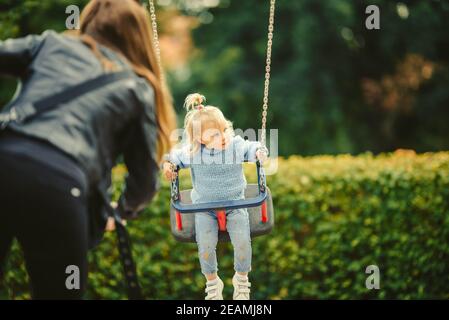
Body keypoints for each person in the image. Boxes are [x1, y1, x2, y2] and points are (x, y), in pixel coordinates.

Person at [0, 0, 176, 299]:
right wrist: (120, 211)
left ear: (87, 21)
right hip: (57, 184)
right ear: (139, 36)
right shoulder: (136, 87)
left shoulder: (49, 44)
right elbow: (144, 181)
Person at [162, 93, 268, 300]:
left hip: (236, 202)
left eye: (224, 130)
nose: (223, 137)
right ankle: (212, 282)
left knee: (242, 241)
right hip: (204, 207)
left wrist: (259, 152)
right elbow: (172, 156)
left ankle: (242, 279)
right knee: (206, 245)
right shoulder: (193, 152)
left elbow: (252, 146)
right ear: (200, 139)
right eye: (214, 135)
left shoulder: (235, 145)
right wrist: (168, 165)